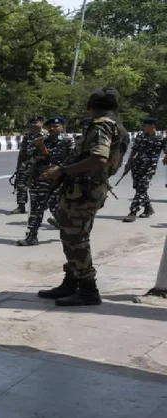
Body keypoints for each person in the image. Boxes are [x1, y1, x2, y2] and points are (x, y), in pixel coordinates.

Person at [38, 88, 127, 306]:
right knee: (74, 236)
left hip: (83, 191)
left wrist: (62, 171)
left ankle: (88, 290)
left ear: (90, 106)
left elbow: (99, 157)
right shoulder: (118, 127)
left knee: (75, 240)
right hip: (89, 189)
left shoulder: (101, 125)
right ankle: (72, 282)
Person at [17, 117, 74, 246]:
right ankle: (32, 236)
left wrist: (61, 169)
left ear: (62, 127)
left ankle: (66, 227)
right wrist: (36, 155)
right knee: (36, 208)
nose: (52, 129)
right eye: (50, 127)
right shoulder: (41, 141)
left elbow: (74, 159)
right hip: (40, 178)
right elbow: (29, 154)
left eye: (56, 126)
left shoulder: (68, 141)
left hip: (59, 180)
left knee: (55, 206)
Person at [123, 117, 166, 222]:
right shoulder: (140, 137)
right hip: (137, 165)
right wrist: (129, 162)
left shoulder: (161, 138)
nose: (144, 128)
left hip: (150, 166)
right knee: (139, 188)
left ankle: (133, 211)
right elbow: (134, 150)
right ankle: (148, 208)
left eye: (145, 126)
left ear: (152, 126)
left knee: (142, 187)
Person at [10, 116, 45, 215]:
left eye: (36, 123)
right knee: (21, 185)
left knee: (39, 188)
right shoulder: (28, 136)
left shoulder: (47, 135)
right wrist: (19, 165)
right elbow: (22, 152)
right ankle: (21, 206)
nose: (33, 125)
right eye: (32, 123)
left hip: (40, 166)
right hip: (26, 164)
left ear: (42, 123)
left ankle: (39, 209)